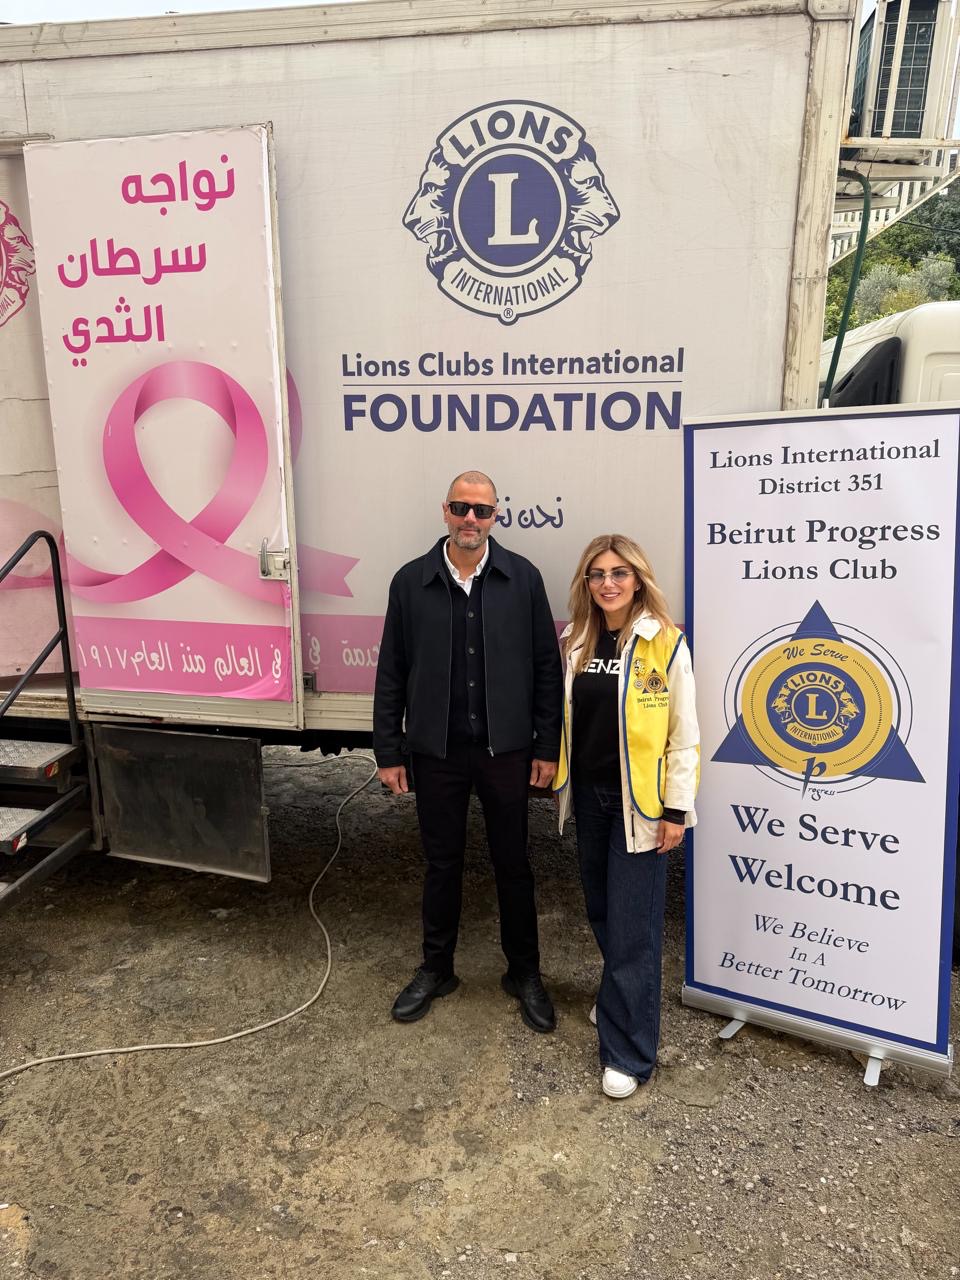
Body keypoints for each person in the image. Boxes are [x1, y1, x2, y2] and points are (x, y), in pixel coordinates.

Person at [374, 470, 563, 1031]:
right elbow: (392, 671)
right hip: (437, 754)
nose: (471, 519)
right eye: (461, 508)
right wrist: (389, 751)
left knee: (513, 864)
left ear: (495, 516)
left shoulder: (523, 578)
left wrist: (546, 745)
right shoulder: (411, 582)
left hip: (506, 752)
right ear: (445, 511)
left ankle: (524, 973)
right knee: (441, 864)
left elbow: (546, 669)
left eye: (481, 510)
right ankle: (437, 969)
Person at [553, 535, 699, 1098]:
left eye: (619, 573)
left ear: (638, 580)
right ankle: (619, 998)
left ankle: (629, 1054)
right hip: (590, 797)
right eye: (597, 574)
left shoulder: (666, 642)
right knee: (601, 908)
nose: (608, 583)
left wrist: (676, 809)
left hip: (641, 805)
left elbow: (684, 734)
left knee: (634, 926)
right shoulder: (576, 639)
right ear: (586, 583)